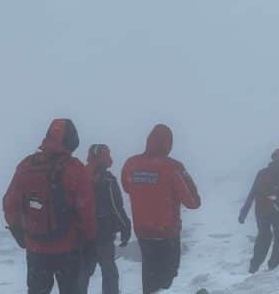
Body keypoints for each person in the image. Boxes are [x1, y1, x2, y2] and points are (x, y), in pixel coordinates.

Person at [3, 119, 96, 294]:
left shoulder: (27, 165)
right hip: (68, 250)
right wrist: (90, 242)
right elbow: (86, 211)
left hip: (36, 249)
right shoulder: (75, 168)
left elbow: (9, 203)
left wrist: (19, 232)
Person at [121, 124, 201, 294]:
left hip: (143, 231)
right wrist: (184, 176)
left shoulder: (131, 163)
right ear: (168, 143)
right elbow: (192, 202)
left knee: (149, 275)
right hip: (166, 232)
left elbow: (127, 186)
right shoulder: (172, 167)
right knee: (167, 277)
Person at [79, 144, 132, 294]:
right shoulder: (108, 180)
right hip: (103, 236)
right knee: (109, 274)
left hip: (82, 237)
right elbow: (117, 207)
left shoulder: (79, 176)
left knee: (82, 274)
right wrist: (125, 228)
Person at [238, 149, 279, 273]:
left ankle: (256, 266)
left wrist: (244, 212)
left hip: (263, 211)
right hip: (274, 211)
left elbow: (252, 193)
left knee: (265, 237)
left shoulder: (264, 173)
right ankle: (272, 266)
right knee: (278, 238)